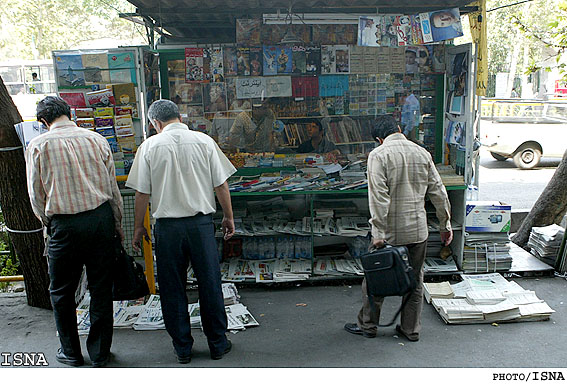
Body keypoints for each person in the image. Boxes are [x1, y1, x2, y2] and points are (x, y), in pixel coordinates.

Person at [126, 99, 236, 364]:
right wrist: (229, 217)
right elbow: (221, 185)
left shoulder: (149, 146)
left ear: (155, 123)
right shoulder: (204, 141)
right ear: (179, 117)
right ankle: (218, 344)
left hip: (168, 229)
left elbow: (142, 192)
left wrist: (138, 227)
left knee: (173, 287)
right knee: (210, 283)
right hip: (200, 226)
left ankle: (183, 348)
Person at [25, 96, 124, 368]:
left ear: (43, 121)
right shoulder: (96, 140)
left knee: (61, 291)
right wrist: (116, 222)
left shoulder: (38, 145)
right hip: (100, 220)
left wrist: (50, 222)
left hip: (64, 226)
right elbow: (112, 189)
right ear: (69, 113)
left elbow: (36, 194)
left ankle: (71, 352)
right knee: (101, 288)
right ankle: (101, 353)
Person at [344, 115, 452, 342]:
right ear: (399, 129)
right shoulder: (422, 152)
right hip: (418, 231)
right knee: (414, 281)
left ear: (378, 138)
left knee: (376, 278)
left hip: (391, 231)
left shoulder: (378, 155)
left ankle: (369, 325)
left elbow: (379, 198)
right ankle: (410, 330)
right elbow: (439, 192)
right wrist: (445, 224)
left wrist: (378, 233)